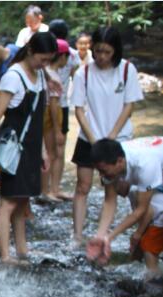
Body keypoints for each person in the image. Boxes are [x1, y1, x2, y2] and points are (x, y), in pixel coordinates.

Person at [0, 32, 57, 263]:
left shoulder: (40, 75)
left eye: (48, 60)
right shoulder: (13, 76)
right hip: (13, 149)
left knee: (23, 201)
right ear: (31, 51)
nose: (44, 64)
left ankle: (22, 251)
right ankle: (5, 256)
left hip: (32, 148)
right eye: (42, 59)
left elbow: (38, 118)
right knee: (7, 202)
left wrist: (43, 151)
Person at [69, 26, 143, 246]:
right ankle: (77, 236)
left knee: (111, 190)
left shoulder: (127, 70)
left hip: (118, 140)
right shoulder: (83, 73)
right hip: (88, 138)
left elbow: (129, 106)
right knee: (82, 187)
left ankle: (101, 235)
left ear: (115, 51)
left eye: (107, 52)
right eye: (98, 51)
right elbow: (79, 110)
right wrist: (95, 141)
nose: (101, 56)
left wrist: (111, 137)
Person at [87, 137, 163, 274]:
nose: (101, 175)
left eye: (104, 171)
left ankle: (153, 276)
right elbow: (109, 202)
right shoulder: (110, 157)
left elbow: (142, 210)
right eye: (98, 171)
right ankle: (137, 265)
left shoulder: (145, 166)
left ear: (120, 162)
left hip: (155, 166)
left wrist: (110, 237)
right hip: (156, 169)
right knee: (145, 233)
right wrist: (101, 236)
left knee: (152, 240)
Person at [42, 38, 78, 202]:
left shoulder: (45, 71)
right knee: (51, 154)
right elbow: (54, 105)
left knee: (51, 153)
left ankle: (51, 190)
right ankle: (46, 191)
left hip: (48, 115)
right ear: (62, 56)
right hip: (52, 117)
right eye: (67, 57)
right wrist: (58, 131)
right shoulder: (53, 76)